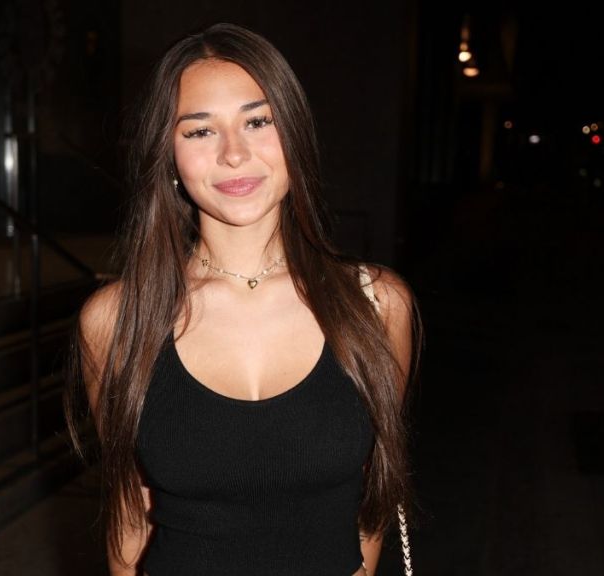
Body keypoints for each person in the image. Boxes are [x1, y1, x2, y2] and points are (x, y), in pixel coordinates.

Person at [66, 22, 421, 576]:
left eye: (258, 121)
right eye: (200, 131)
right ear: (168, 155)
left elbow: (374, 493)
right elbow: (130, 512)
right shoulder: (116, 320)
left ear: (294, 133)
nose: (234, 153)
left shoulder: (377, 305)